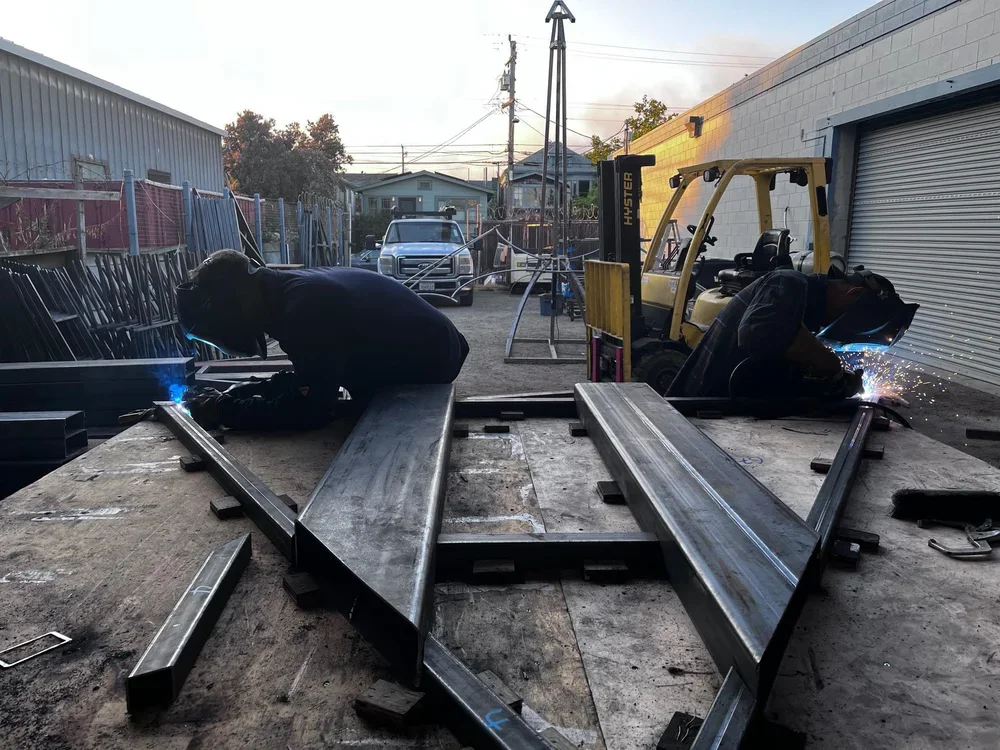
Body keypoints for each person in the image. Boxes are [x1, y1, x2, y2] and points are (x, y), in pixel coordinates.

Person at [176, 249, 469, 429]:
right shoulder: (287, 292)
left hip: (435, 362)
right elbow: (311, 373)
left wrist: (224, 411)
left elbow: (310, 410)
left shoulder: (303, 309)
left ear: (237, 300)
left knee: (342, 407)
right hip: (438, 345)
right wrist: (243, 390)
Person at [667, 266, 917, 400]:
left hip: (719, 416)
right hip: (696, 412)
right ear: (853, 294)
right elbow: (758, 334)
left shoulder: (800, 316)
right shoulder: (789, 282)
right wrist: (830, 366)